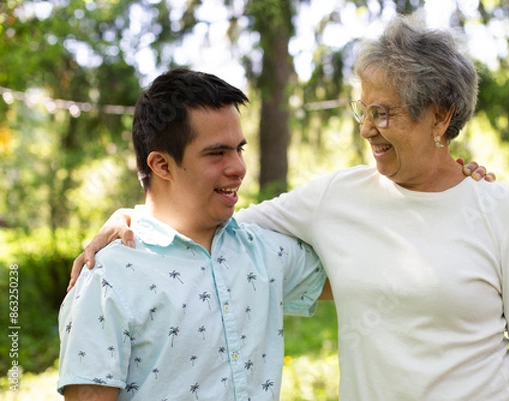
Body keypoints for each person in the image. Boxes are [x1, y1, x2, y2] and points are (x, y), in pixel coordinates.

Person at [68, 14, 509, 401]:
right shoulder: (335, 198)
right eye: (363, 109)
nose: (366, 128)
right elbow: (211, 222)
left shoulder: (502, 211)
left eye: (384, 113)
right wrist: (137, 215)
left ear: (440, 115)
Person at [57, 68, 327, 401]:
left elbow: (361, 277)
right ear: (162, 165)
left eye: (238, 149)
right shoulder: (106, 278)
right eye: (217, 153)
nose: (239, 167)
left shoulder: (263, 251)